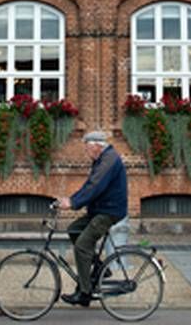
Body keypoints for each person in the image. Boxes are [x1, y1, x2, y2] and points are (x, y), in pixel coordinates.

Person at [57, 130, 128, 307]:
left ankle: (85, 292)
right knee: (73, 229)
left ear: (96, 146)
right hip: (99, 210)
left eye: (87, 148)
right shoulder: (101, 160)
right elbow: (89, 186)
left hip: (109, 211)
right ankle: (98, 266)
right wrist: (71, 200)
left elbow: (95, 186)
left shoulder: (108, 160)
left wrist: (73, 203)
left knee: (82, 245)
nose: (86, 152)